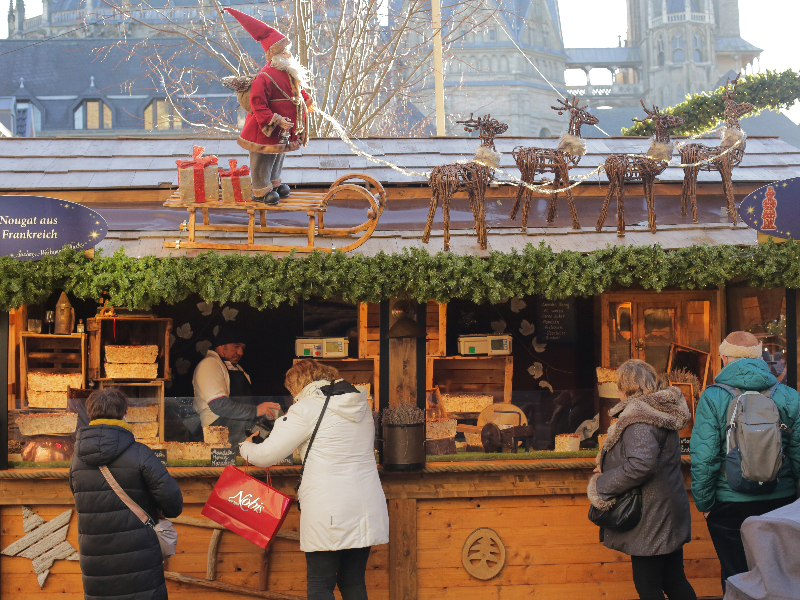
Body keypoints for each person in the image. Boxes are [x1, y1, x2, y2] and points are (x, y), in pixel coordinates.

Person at [239, 359, 389, 600]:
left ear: (298, 384)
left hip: (328, 507)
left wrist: (245, 448)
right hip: (366, 505)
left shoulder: (306, 408)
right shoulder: (361, 405)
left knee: (320, 584)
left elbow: (266, 455)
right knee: (353, 582)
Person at [691, 331, 800, 593]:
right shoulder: (788, 395)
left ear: (723, 357)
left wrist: (706, 504)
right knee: (780, 580)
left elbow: (704, 457)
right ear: (759, 356)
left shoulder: (713, 397)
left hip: (729, 504)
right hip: (779, 501)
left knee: (736, 579)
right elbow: (797, 452)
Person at [588, 359, 696, 600]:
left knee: (648, 587)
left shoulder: (639, 417)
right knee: (673, 580)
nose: (615, 390)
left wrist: (601, 484)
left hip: (651, 515)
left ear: (625, 388)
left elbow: (641, 465)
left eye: (618, 385)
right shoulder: (659, 410)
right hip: (666, 508)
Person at [69, 387, 183, 600]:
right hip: (140, 560)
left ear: (90, 414)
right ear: (124, 415)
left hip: (96, 563)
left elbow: (78, 495)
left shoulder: (77, 459)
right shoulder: (140, 453)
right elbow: (173, 504)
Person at [225, 7, 314, 205]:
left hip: (285, 128)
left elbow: (297, 90)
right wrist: (275, 119)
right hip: (264, 128)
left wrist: (307, 100)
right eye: (284, 51)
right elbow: (258, 104)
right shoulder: (264, 76)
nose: (288, 55)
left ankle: (273, 184)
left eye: (288, 51)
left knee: (278, 155)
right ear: (275, 53)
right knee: (262, 158)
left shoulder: (289, 72)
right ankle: (260, 189)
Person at [192, 326, 280, 445]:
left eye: (242, 348)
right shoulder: (209, 364)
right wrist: (256, 410)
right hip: (216, 430)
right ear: (222, 346)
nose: (241, 352)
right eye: (236, 347)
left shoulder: (238, 368)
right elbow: (219, 405)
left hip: (241, 426)